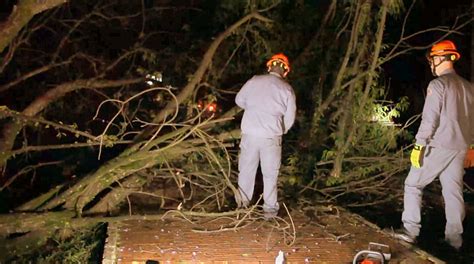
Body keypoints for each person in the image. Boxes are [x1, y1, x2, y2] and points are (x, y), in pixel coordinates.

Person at [393, 40, 474, 251]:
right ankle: (454, 240)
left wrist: (419, 145)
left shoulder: (438, 85)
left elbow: (430, 119)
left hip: (438, 145)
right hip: (460, 147)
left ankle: (410, 231)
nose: (431, 64)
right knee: (453, 192)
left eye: (433, 59)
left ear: (440, 59)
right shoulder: (469, 87)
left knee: (413, 185)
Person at [235, 53, 297, 219]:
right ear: (285, 71)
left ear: (269, 67)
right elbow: (290, 118)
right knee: (270, 175)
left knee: (246, 171)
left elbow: (239, 100)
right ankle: (269, 211)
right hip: (271, 137)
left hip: (250, 134)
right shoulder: (287, 89)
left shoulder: (254, 81)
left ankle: (242, 207)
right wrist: (279, 130)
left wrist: (253, 107)